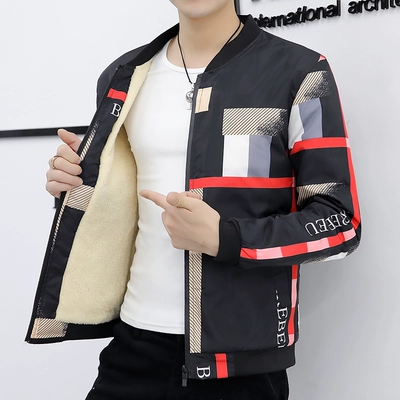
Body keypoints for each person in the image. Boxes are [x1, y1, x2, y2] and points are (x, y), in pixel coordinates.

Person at [26, 1, 361, 399]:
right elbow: (118, 204)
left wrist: (228, 238)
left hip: (241, 363)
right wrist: (75, 186)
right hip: (133, 346)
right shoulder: (124, 76)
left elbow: (340, 222)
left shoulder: (299, 71)